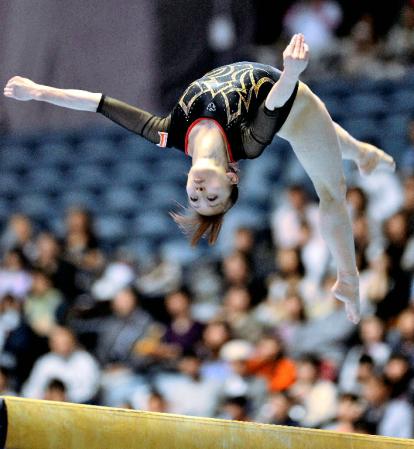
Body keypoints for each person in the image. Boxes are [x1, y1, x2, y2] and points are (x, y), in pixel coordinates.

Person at [4, 34, 396, 324]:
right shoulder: (248, 143)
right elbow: (277, 103)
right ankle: (350, 277)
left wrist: (38, 92)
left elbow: (99, 104)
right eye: (214, 198)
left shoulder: (168, 132)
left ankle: (360, 153)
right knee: (332, 189)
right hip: (294, 105)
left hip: (293, 104)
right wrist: (292, 71)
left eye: (196, 200)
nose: (200, 194)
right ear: (231, 175)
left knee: (332, 144)